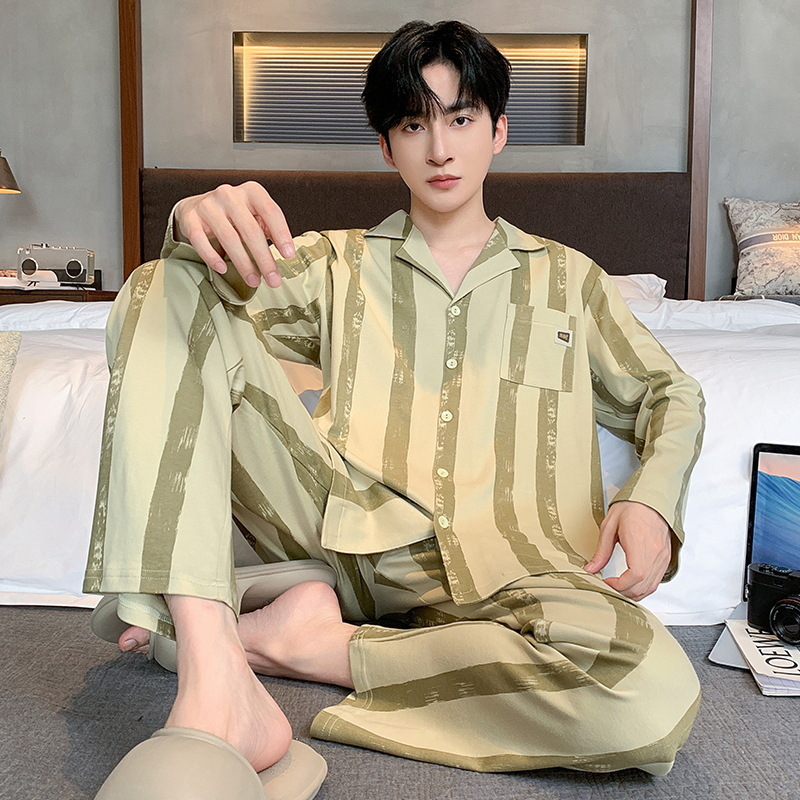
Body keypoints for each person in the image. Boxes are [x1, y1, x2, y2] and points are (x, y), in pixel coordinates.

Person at [85, 18, 705, 784]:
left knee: (648, 695)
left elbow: (670, 392)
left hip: (524, 569)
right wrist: (191, 223)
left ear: (499, 130)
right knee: (164, 284)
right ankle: (216, 676)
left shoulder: (571, 280)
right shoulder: (333, 263)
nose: (439, 149)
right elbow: (187, 306)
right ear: (387, 146)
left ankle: (300, 641)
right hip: (348, 539)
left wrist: (652, 498)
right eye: (414, 124)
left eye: (461, 119)